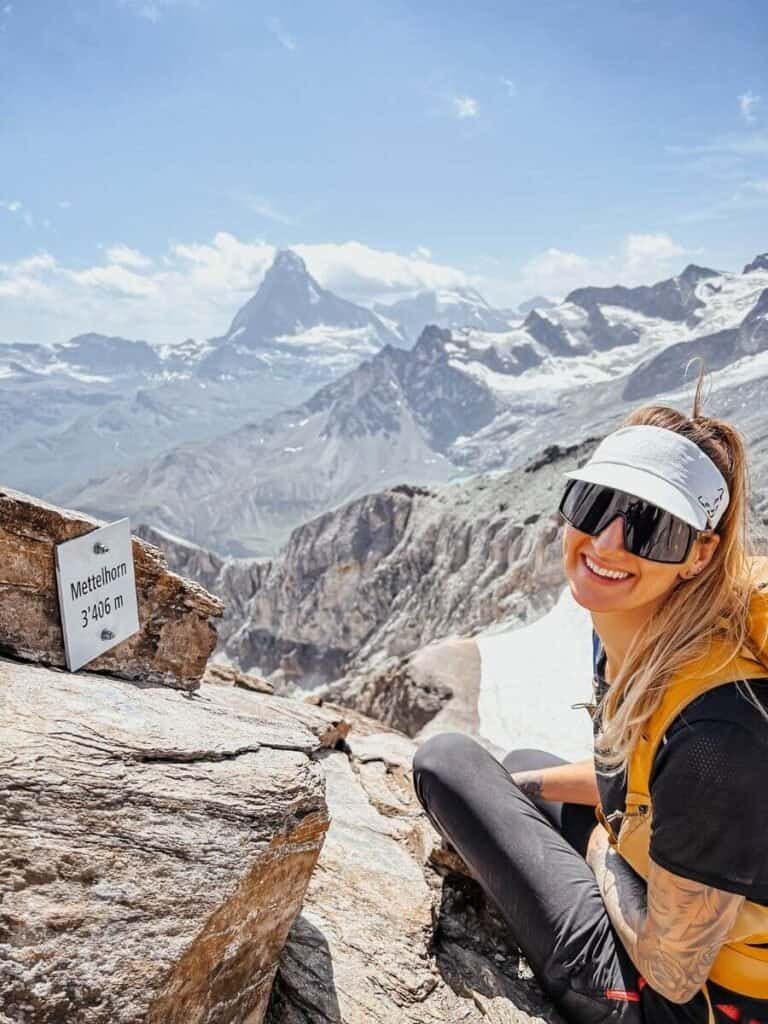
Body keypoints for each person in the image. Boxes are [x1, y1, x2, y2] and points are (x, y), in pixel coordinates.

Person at [412, 370, 768, 1024]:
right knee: (517, 766)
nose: (607, 544)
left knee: (448, 764)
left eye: (650, 528)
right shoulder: (646, 630)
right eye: (595, 504)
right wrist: (527, 787)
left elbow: (673, 970)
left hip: (686, 1006)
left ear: (699, 553)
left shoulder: (720, 734)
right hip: (691, 944)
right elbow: (634, 786)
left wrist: (600, 849)